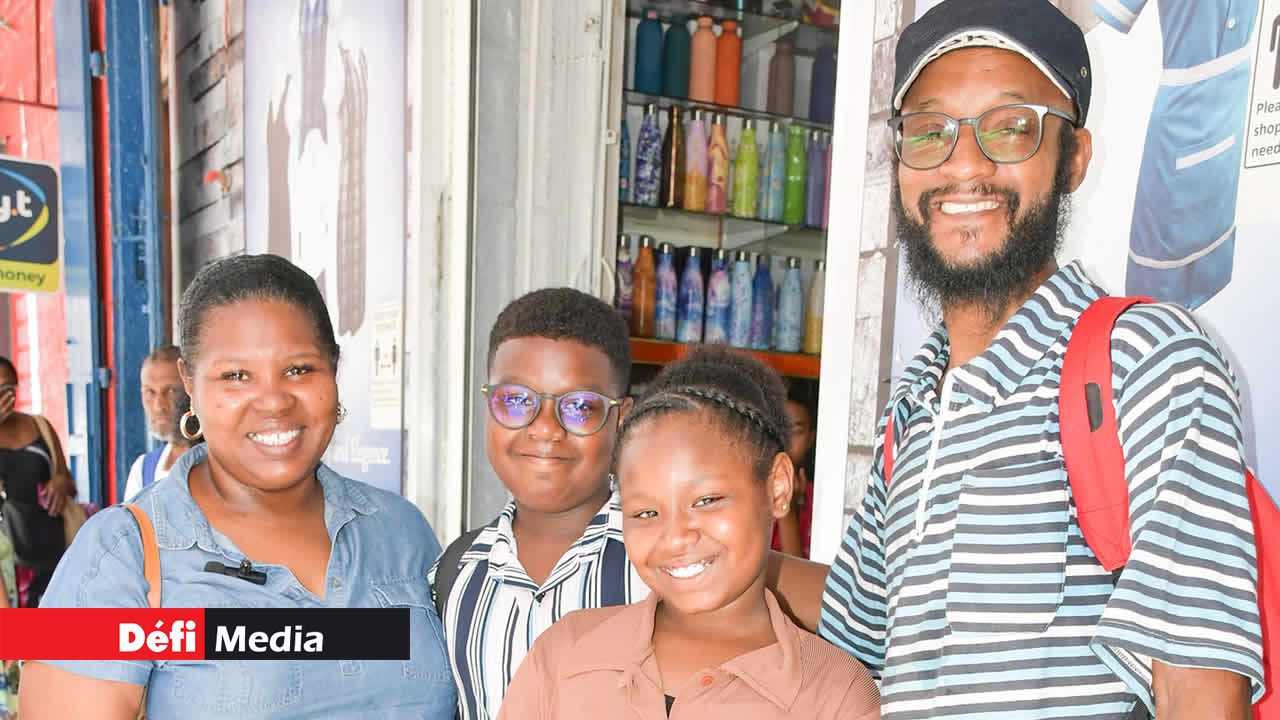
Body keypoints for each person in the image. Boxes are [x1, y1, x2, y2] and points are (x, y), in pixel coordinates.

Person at [817, 2, 1263, 718]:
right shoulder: (916, 409)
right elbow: (849, 649)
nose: (965, 164)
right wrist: (702, 526)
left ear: (1075, 158)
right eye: (930, 133)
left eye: (1010, 126)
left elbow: (1197, 686)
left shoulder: (1145, 364)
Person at [21, 254, 457, 719]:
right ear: (190, 382)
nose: (273, 401)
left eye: (299, 369)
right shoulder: (114, 557)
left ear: (334, 368)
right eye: (235, 375)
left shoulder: (399, 529)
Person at [432, 288, 827, 720]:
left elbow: (860, 615)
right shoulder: (455, 572)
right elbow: (381, 649)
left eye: (580, 407)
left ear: (622, 419)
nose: (544, 429)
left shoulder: (675, 554)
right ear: (488, 406)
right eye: (516, 401)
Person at [498, 346, 879, 719]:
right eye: (646, 512)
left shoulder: (835, 695)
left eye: (707, 500)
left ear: (777, 487)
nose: (676, 536)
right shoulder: (566, 653)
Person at [0, 355, 75, 608]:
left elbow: (69, 481)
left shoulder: (38, 426)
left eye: (10, 389)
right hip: (12, 565)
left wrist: (61, 481)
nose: (6, 397)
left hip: (55, 551)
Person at [122, 345, 195, 501]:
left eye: (170, 391)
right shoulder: (143, 469)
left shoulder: (217, 463)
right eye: (150, 392)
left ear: (191, 391)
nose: (159, 405)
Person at [771, 381, 816, 557]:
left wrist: (786, 509)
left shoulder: (818, 500)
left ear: (810, 439)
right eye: (780, 429)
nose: (786, 441)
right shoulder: (750, 491)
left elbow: (798, 578)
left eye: (796, 431)